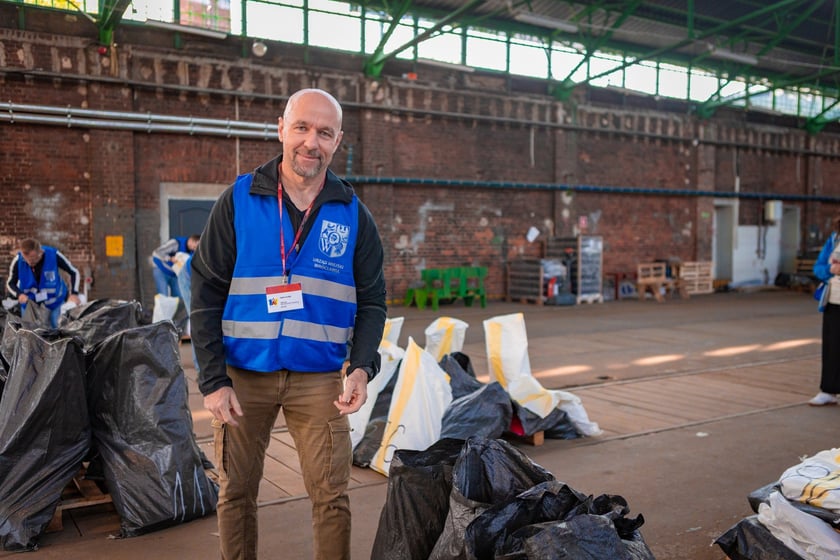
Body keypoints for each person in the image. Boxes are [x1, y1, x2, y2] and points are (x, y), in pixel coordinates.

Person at [190, 88, 386, 560]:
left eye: (324, 132)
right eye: (301, 127)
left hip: (319, 380)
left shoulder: (353, 215)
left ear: (338, 140)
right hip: (243, 376)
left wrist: (360, 368)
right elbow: (205, 291)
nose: (310, 142)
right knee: (236, 493)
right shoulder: (239, 200)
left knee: (331, 497)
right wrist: (213, 381)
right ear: (282, 128)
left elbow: (374, 300)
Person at [6, 238, 82, 328]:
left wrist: (74, 293)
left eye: (33, 259)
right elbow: (10, 283)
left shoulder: (53, 254)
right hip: (30, 303)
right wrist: (19, 294)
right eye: (27, 260)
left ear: (40, 252)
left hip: (54, 301)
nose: (30, 263)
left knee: (56, 327)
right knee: (30, 331)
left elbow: (74, 272)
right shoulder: (18, 260)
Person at [811, 213, 840, 406]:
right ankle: (828, 390)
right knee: (831, 346)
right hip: (834, 301)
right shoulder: (834, 239)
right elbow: (818, 267)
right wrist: (830, 270)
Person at [152, 233, 200, 298]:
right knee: (163, 296)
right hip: (161, 271)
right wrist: (170, 258)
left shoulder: (192, 252)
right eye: (195, 246)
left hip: (175, 274)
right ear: (191, 240)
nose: (195, 249)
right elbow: (156, 252)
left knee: (179, 296)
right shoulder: (176, 243)